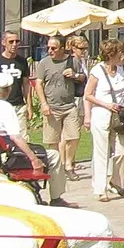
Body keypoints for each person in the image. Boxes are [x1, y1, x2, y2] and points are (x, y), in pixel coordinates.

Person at [0, 77, 66, 203]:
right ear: (8, 90)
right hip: (9, 157)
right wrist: (34, 159)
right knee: (54, 155)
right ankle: (56, 198)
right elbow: (15, 137)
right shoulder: (6, 107)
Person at [30, 33, 86, 183]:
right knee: (52, 140)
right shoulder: (44, 63)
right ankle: (57, 166)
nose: (50, 51)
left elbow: (83, 78)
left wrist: (75, 75)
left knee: (74, 136)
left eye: (53, 48)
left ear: (62, 48)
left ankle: (68, 165)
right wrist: (43, 104)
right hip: (52, 106)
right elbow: (38, 84)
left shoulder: (72, 61)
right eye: (48, 48)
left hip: (69, 105)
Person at [84, 38, 124, 200]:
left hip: (120, 115)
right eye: (120, 52)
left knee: (122, 150)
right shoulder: (97, 71)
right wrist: (105, 105)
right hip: (101, 114)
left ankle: (115, 181)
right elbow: (88, 95)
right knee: (101, 152)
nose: (123, 55)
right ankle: (100, 189)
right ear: (112, 53)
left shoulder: (123, 70)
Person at [0, 31, 27, 99]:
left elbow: (26, 84)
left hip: (18, 103)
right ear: (4, 43)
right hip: (0, 103)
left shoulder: (22, 61)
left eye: (17, 41)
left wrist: (29, 106)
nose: (14, 44)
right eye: (11, 41)